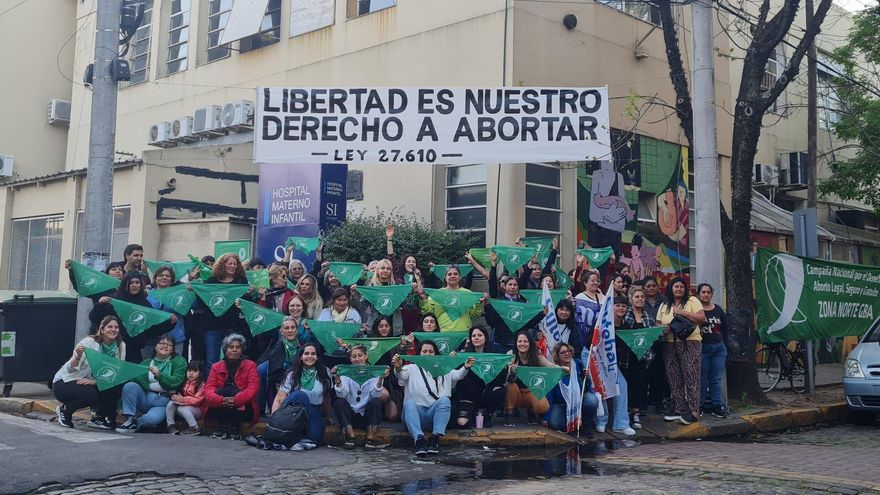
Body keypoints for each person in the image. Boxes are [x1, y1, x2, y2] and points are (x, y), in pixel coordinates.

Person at [392, 341, 475, 456]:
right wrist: (397, 368)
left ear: (436, 354)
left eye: (431, 351)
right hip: (415, 416)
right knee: (410, 403)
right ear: (419, 353)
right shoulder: (410, 368)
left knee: (445, 400)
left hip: (434, 415)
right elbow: (400, 375)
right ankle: (419, 440)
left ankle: (435, 438)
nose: (427, 354)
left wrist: (465, 367)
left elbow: (457, 375)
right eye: (424, 351)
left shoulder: (443, 368)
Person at [52, 315, 126, 429]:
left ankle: (98, 418)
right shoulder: (89, 342)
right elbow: (70, 369)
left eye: (116, 327)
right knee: (90, 394)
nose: (113, 329)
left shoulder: (121, 346)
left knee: (116, 385)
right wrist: (77, 357)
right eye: (109, 326)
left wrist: (94, 382)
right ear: (102, 329)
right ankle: (65, 411)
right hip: (67, 381)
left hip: (92, 381)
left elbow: (116, 373)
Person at [90, 271, 174, 363]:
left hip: (134, 349)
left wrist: (170, 322)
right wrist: (100, 305)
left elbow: (152, 327)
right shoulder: (113, 300)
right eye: (131, 283)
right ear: (125, 284)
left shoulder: (144, 303)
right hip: (113, 346)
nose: (134, 285)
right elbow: (94, 318)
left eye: (137, 282)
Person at [657, 276, 706, 425]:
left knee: (691, 375)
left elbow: (701, 318)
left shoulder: (692, 301)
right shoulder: (665, 305)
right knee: (673, 376)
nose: (679, 289)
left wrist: (682, 312)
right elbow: (658, 322)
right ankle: (679, 407)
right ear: (671, 289)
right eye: (676, 286)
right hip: (670, 343)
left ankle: (694, 411)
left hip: (690, 342)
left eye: (681, 287)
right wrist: (662, 329)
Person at [116, 334, 187, 433]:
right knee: (130, 385)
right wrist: (120, 405)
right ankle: (130, 419)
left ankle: (136, 422)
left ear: (172, 349)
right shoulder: (146, 363)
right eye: (161, 343)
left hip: (163, 402)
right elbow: (133, 381)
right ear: (155, 346)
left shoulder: (179, 361)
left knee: (149, 421)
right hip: (145, 397)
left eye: (168, 345)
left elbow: (175, 382)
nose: (164, 346)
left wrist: (159, 375)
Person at [271, 343, 333, 448]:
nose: (310, 356)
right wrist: (274, 418)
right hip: (293, 410)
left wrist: (329, 415)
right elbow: (280, 397)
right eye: (306, 353)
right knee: (301, 395)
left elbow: (326, 397)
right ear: (300, 357)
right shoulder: (292, 374)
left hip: (313, 409)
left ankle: (299, 436)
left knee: (316, 438)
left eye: (313, 354)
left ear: (317, 357)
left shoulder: (325, 372)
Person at [331, 345, 391, 449]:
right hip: (351, 416)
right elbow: (342, 394)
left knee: (376, 402)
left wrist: (380, 379)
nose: (357, 359)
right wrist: (338, 379)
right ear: (350, 359)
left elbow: (375, 394)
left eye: (360, 355)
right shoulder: (346, 372)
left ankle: (371, 436)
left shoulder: (373, 372)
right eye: (354, 356)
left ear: (366, 356)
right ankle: (349, 435)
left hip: (367, 416)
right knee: (339, 402)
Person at [204, 334, 260, 440]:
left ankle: (236, 428)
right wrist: (222, 400)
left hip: (242, 408)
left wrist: (235, 400)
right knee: (221, 391)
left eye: (238, 347)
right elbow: (208, 390)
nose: (234, 350)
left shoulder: (251, 365)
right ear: (225, 350)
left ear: (242, 350)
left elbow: (253, 389)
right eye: (231, 347)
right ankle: (221, 427)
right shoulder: (215, 366)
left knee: (236, 392)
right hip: (221, 406)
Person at [486, 251, 544, 348]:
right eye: (510, 284)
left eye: (515, 285)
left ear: (518, 287)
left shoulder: (522, 303)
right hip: (501, 342)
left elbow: (529, 323)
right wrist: (494, 264)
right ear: (504, 286)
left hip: (519, 343)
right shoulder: (499, 302)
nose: (512, 287)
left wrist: (541, 314)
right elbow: (491, 322)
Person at [200, 253, 249, 368]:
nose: (232, 266)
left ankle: (233, 385)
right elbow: (204, 301)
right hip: (212, 327)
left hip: (234, 327)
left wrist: (246, 297)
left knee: (235, 360)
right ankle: (211, 386)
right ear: (223, 265)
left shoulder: (242, 281)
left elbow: (247, 301)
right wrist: (194, 287)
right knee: (211, 362)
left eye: (235, 264)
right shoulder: (211, 281)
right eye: (230, 263)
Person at [453, 326, 507, 428]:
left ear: (485, 337)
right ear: (470, 339)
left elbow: (500, 375)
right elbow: (458, 376)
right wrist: (453, 359)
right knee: (462, 423)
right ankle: (474, 413)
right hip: (468, 395)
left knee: (500, 391)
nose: (476, 338)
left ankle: (487, 415)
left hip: (486, 393)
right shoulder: (464, 355)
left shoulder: (493, 354)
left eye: (479, 335)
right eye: (473, 336)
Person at [596, 296, 636, 436]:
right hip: (598, 360)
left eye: (623, 306)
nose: (620, 308)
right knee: (602, 387)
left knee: (621, 386)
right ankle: (601, 421)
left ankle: (621, 424)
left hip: (613, 363)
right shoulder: (604, 322)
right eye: (617, 305)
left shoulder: (625, 325)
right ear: (612, 307)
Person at [256, 314, 310, 414]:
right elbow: (274, 375)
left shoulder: (302, 345)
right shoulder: (278, 348)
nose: (290, 330)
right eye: (286, 328)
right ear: (282, 331)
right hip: (283, 385)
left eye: (293, 327)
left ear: (297, 330)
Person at [542, 342, 599, 434]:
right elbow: (550, 395)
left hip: (577, 401)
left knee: (592, 400)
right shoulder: (554, 370)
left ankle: (585, 425)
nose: (567, 353)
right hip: (561, 404)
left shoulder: (577, 364)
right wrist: (546, 418)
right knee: (555, 423)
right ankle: (572, 424)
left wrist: (585, 377)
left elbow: (586, 386)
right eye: (563, 352)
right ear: (557, 356)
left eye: (568, 351)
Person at [504, 330, 558, 426]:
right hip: (515, 393)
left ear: (530, 343)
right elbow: (505, 375)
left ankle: (532, 412)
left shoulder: (537, 356)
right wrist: (511, 370)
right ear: (516, 343)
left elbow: (551, 366)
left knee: (543, 406)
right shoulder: (511, 354)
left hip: (531, 392)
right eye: (519, 341)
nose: (522, 344)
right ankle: (509, 414)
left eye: (525, 341)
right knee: (510, 385)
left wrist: (563, 369)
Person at [621, 287, 656, 429]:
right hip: (626, 357)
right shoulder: (625, 315)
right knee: (626, 385)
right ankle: (624, 414)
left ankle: (635, 413)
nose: (640, 299)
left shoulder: (648, 317)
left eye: (642, 297)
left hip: (642, 357)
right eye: (637, 297)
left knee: (638, 385)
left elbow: (653, 336)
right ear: (631, 299)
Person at [416, 265, 486, 332]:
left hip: (464, 334)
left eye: (455, 274)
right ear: (445, 277)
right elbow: (428, 313)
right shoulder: (437, 294)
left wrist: (479, 304)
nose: (452, 276)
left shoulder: (468, 293)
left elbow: (475, 314)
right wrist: (423, 299)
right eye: (449, 274)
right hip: (442, 334)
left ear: (460, 277)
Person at [697, 283, 729, 418]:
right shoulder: (696, 310)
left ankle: (717, 405)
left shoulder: (718, 310)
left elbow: (726, 329)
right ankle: (699, 405)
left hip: (718, 348)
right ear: (698, 294)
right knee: (702, 378)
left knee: (715, 378)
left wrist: (725, 345)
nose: (706, 294)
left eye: (708, 292)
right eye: (703, 292)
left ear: (711, 294)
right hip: (702, 348)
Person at [146, 266, 186, 357]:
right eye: (161, 275)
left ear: (172, 280)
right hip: (152, 338)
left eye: (167, 276)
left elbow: (193, 306)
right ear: (155, 278)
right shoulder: (147, 295)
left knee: (174, 365)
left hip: (175, 337)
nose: (164, 277)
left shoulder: (179, 295)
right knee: (149, 366)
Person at [165, 360, 206, 435]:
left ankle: (194, 428)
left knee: (182, 408)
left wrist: (183, 399)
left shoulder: (202, 385)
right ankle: (170, 425)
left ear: (200, 373)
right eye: (189, 370)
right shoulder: (185, 382)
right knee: (171, 403)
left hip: (199, 409)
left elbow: (197, 401)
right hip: (187, 406)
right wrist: (175, 397)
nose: (191, 373)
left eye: (195, 371)